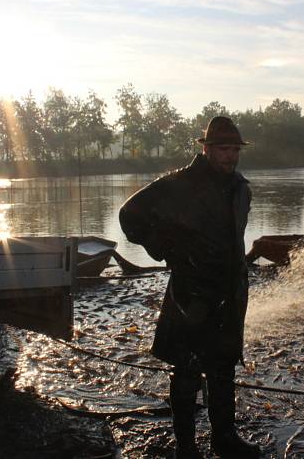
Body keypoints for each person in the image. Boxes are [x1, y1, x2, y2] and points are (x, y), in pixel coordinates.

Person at [119, 116, 260, 459]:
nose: (229, 156)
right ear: (207, 149)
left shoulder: (242, 187)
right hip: (192, 293)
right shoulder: (178, 183)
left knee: (224, 367)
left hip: (230, 291)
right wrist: (165, 249)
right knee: (187, 370)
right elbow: (129, 215)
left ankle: (224, 439)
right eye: (223, 149)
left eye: (234, 150)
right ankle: (186, 447)